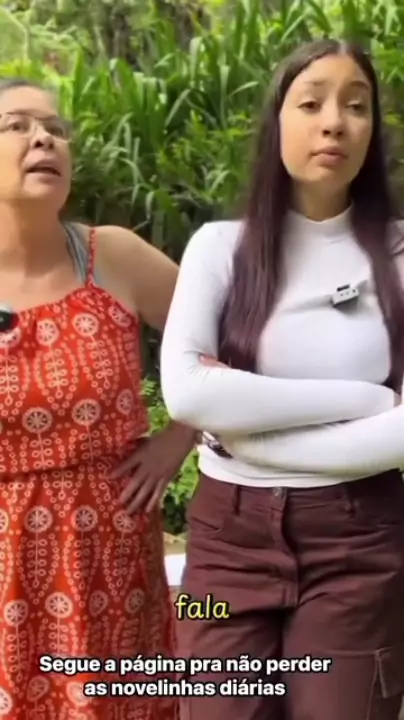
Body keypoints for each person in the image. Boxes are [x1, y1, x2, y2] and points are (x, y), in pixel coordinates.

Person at [160, 39, 404, 720]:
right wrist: (368, 399)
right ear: (277, 122)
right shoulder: (219, 247)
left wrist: (246, 433)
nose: (335, 123)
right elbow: (188, 393)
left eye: (357, 106)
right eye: (312, 103)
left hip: (358, 543)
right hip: (223, 548)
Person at [0, 77, 196, 718]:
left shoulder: (112, 256)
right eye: (17, 125)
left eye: (54, 129)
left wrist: (181, 436)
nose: (43, 139)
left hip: (112, 564)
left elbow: (230, 336)